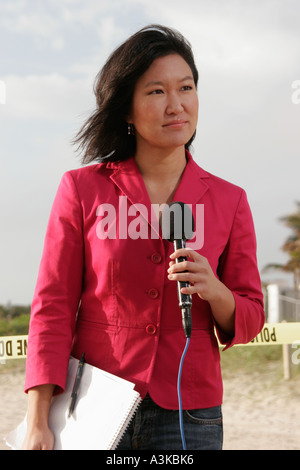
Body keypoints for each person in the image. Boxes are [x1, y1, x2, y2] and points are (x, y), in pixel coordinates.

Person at [22, 25, 264, 450]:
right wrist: (37, 418)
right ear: (127, 109)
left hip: (190, 411)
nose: (176, 105)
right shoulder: (82, 189)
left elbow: (249, 317)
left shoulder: (230, 199)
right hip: (95, 404)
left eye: (185, 88)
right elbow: (53, 306)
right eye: (156, 92)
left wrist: (215, 290)